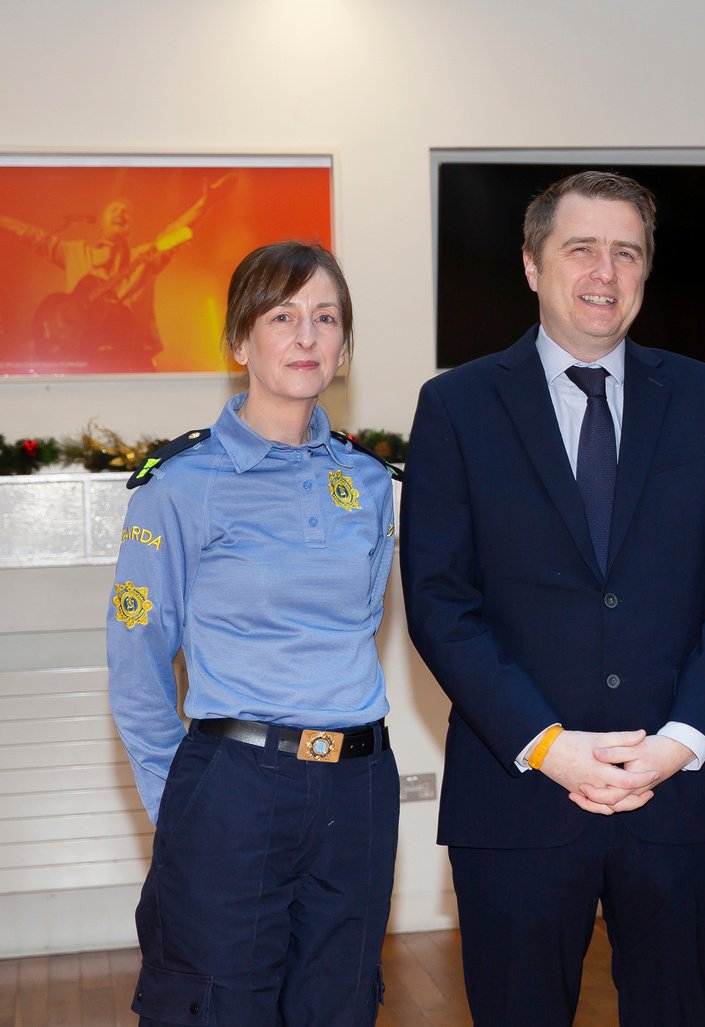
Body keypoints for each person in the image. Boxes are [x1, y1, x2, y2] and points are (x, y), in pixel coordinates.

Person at [400, 170, 705, 1025]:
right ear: (532, 265)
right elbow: (439, 601)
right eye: (581, 249)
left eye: (626, 252)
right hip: (519, 801)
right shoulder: (456, 407)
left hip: (679, 799)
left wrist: (681, 740)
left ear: (645, 271)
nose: (604, 271)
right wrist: (548, 745)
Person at [107, 241, 401, 1025]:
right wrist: (183, 804)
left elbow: (362, 621)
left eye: (325, 318)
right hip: (234, 787)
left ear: (344, 348)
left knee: (340, 1005)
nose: (306, 336)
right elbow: (136, 659)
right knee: (217, 1006)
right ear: (242, 340)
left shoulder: (370, 482)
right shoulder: (177, 485)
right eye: (283, 316)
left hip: (359, 788)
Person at [1, 174, 231, 370]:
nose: (121, 213)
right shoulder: (76, 252)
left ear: (130, 229)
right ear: (101, 223)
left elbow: (175, 231)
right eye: (114, 210)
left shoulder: (144, 257)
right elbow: (33, 236)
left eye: (127, 213)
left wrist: (205, 203)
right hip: (84, 353)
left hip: (133, 355)